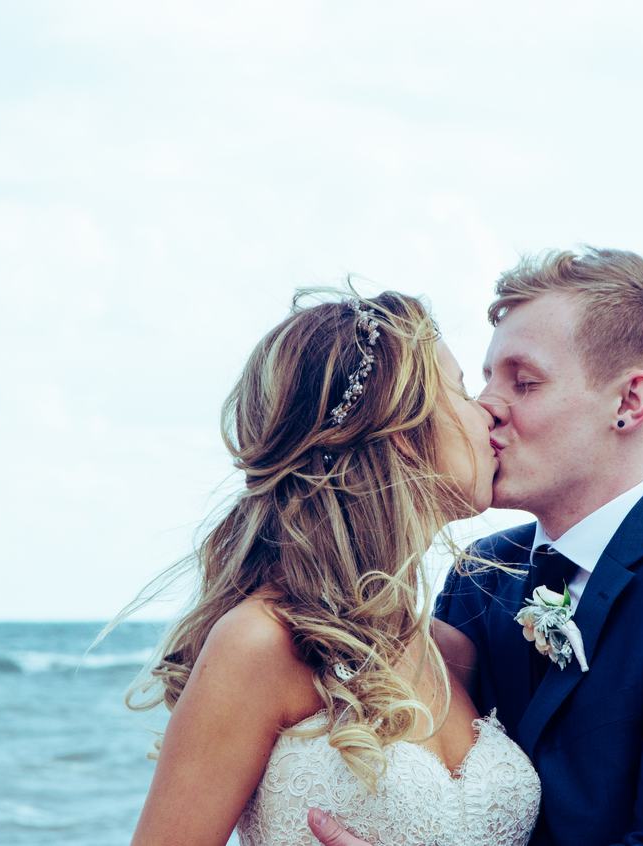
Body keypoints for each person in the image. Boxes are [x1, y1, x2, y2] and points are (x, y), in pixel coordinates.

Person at [308, 248, 643, 846]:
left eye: (524, 383)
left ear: (629, 403)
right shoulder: (478, 577)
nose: (485, 407)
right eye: (484, 380)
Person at [123, 290, 541, 846]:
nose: (487, 408)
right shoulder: (261, 644)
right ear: (399, 432)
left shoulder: (453, 653)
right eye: (461, 389)